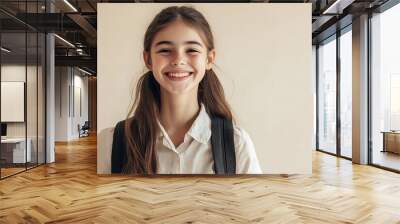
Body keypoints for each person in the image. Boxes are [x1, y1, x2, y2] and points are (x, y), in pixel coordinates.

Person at [111, 5, 261, 174]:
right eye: (165, 50)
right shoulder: (113, 141)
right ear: (148, 59)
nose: (178, 60)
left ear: (209, 59)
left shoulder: (236, 143)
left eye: (191, 50)